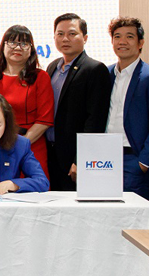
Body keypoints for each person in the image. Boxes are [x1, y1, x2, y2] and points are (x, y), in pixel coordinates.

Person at [45, 13, 112, 190]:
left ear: (85, 38)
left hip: (72, 159)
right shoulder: (52, 67)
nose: (65, 39)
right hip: (49, 153)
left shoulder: (95, 69)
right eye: (60, 34)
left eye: (72, 34)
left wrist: (81, 159)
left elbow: (95, 120)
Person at [105, 16, 149, 199]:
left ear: (141, 43)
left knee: (132, 213)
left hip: (133, 158)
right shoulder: (105, 74)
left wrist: (144, 162)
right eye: (117, 37)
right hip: (104, 157)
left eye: (129, 37)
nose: (122, 42)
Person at [0, 24, 54, 182]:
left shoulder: (41, 77)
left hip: (31, 147)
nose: (17, 47)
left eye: (24, 43)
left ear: (31, 49)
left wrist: (19, 146)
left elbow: (44, 120)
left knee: (34, 191)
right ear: (3, 46)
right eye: (12, 42)